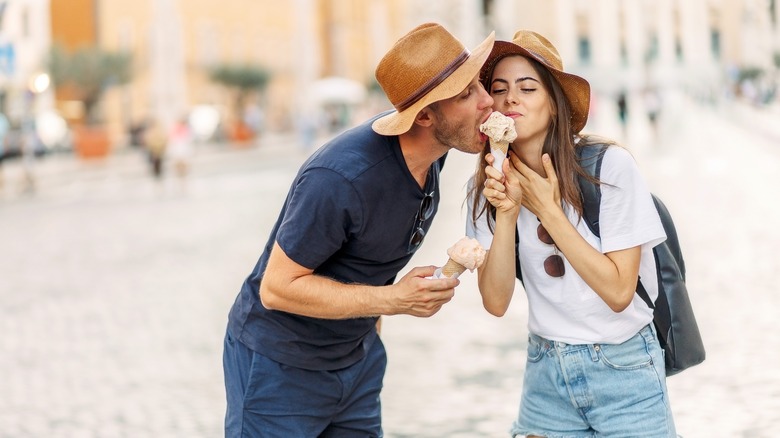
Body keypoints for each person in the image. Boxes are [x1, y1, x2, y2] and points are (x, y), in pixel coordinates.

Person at [223, 23, 496, 437]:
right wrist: (393, 299)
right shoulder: (340, 178)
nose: (487, 101)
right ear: (423, 116)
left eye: (478, 85)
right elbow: (276, 288)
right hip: (280, 368)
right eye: (466, 95)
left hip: (358, 361)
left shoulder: (434, 152)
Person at [466, 31, 676, 437]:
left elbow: (618, 293)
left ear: (555, 105)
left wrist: (548, 209)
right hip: (545, 376)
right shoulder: (487, 187)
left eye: (528, 88)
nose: (511, 99)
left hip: (626, 371)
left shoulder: (609, 168)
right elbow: (495, 301)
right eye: (499, 89)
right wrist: (507, 212)